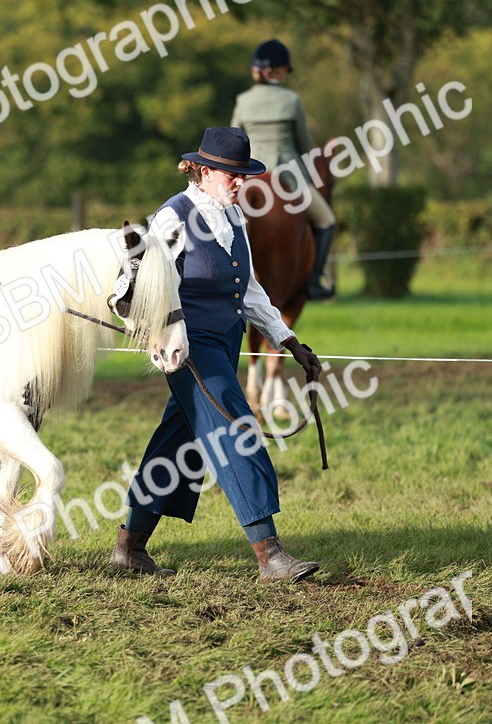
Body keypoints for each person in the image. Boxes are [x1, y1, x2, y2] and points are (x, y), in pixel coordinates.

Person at [110, 127, 325, 583]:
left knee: (177, 442)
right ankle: (269, 554)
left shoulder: (234, 217)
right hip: (188, 346)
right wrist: (155, 337)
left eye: (243, 175)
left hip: (227, 342)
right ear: (204, 172)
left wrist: (289, 341)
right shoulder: (171, 218)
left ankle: (129, 547)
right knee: (235, 427)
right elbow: (131, 288)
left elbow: (248, 288)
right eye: (232, 175)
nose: (239, 182)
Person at [231, 38, 337, 300]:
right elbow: (304, 144)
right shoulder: (292, 100)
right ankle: (314, 280)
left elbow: (234, 141)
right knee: (327, 221)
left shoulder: (243, 101)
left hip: (250, 177)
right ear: (279, 70)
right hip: (290, 177)